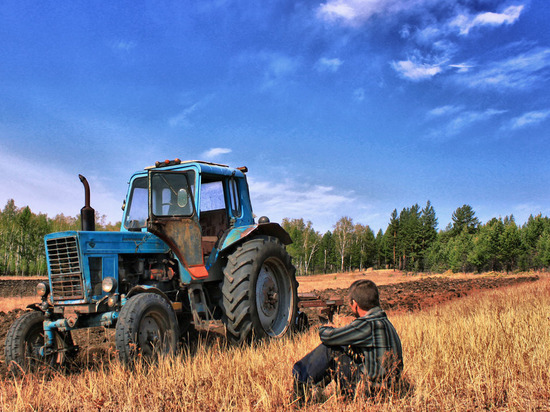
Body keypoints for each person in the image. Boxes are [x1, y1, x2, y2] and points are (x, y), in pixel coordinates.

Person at [292, 279, 403, 403]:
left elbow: (329, 337)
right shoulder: (386, 322)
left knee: (331, 349)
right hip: (390, 389)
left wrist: (324, 328)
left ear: (355, 304)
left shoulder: (367, 324)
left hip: (370, 393)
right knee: (344, 349)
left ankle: (299, 388)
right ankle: (317, 388)